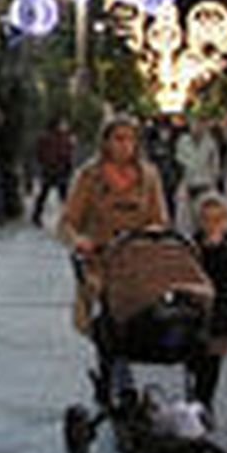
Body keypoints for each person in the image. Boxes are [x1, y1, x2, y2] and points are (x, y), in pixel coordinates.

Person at [59, 117, 169, 335]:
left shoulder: (148, 175)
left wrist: (154, 233)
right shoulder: (89, 175)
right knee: (101, 320)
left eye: (130, 139)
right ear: (106, 142)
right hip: (100, 259)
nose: (125, 145)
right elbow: (67, 222)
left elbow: (160, 219)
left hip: (136, 260)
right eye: (118, 139)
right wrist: (78, 239)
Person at [190, 193, 227, 415]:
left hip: (222, 309)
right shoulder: (191, 244)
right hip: (194, 307)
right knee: (197, 359)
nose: (212, 225)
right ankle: (198, 395)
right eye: (206, 219)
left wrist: (217, 247)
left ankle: (204, 401)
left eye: (217, 219)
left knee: (211, 361)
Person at [31, 117, 76, 227]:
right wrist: (48, 164)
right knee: (45, 193)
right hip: (51, 169)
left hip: (61, 169)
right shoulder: (48, 137)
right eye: (63, 124)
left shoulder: (66, 137)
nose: (65, 126)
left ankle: (67, 218)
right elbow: (42, 153)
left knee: (63, 195)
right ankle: (36, 216)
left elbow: (69, 153)